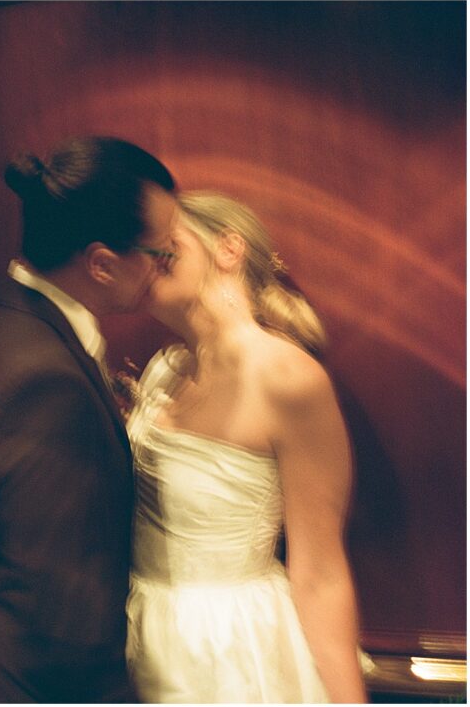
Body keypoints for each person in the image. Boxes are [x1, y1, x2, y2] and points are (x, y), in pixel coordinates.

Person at [0, 136, 178, 702]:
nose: (165, 268)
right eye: (161, 254)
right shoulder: (42, 381)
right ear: (101, 263)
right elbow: (63, 609)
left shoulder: (19, 320)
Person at [124, 191, 367, 702]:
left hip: (229, 647)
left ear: (227, 249)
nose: (148, 262)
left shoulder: (288, 378)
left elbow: (320, 572)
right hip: (139, 631)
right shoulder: (164, 369)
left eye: (167, 246)